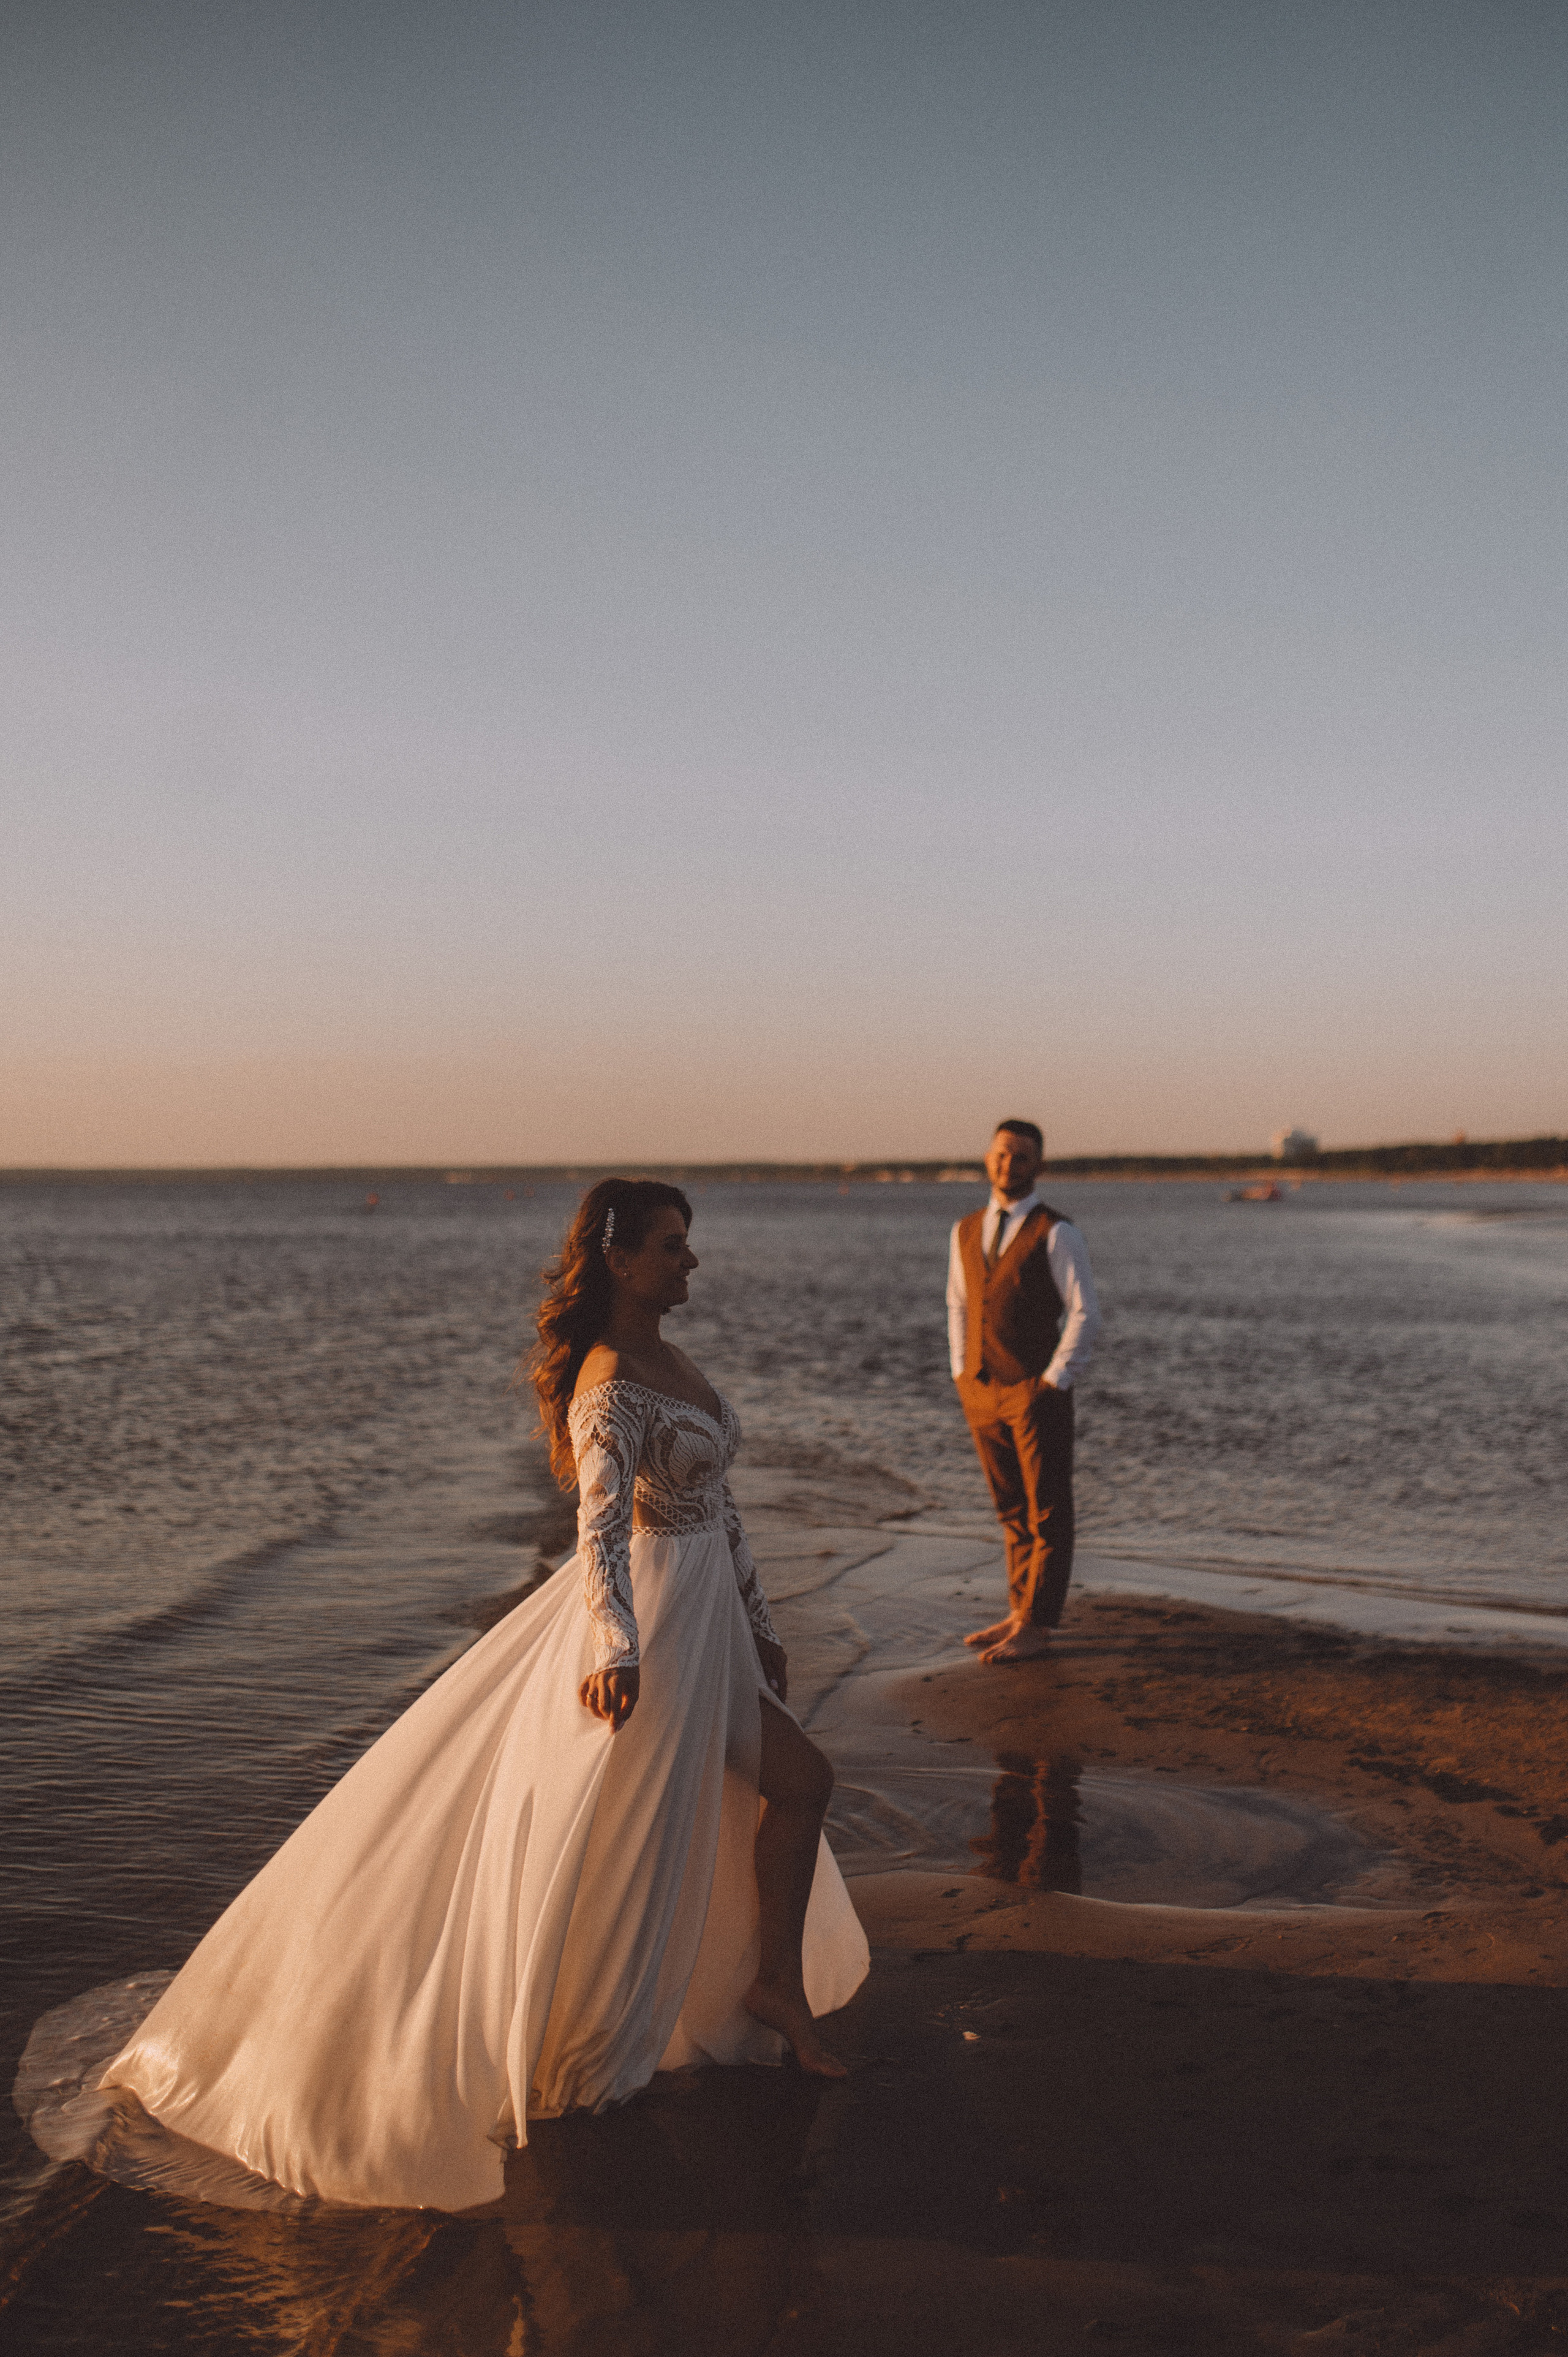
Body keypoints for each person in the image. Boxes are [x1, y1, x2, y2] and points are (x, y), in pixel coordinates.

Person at [80, 1179, 867, 2212]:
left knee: (798, 1784)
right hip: (661, 1634)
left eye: (689, 1245)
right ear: (620, 1260)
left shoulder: (681, 1365)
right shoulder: (609, 1379)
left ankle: (774, 1986)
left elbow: (723, 1512)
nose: (690, 1262)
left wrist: (761, 1624)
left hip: (714, 1624)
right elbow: (598, 1528)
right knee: (638, 1832)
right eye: (672, 1247)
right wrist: (619, 1646)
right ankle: (594, 2035)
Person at [946, 1120, 1102, 1664]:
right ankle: (1019, 1611)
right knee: (1010, 1508)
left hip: (1034, 1390)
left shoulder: (1057, 1232)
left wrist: (1054, 1380)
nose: (1008, 1163)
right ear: (988, 1158)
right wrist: (961, 1371)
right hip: (981, 1391)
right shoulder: (965, 1229)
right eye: (1001, 1153)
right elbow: (960, 1305)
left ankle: (1038, 1625)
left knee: (1048, 1510)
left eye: (1020, 1156)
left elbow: (1086, 1312)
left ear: (1038, 1165)